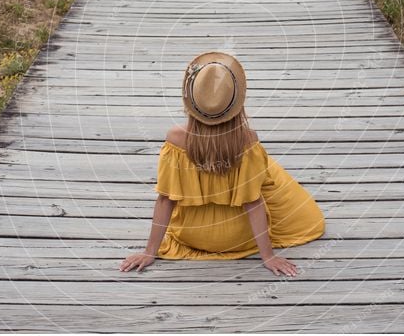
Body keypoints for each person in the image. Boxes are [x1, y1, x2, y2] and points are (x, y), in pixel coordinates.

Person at [119, 50, 326, 277]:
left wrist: (150, 252)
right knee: (269, 170)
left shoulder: (175, 140)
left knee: (261, 168)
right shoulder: (248, 141)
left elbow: (165, 200)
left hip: (192, 234)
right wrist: (268, 256)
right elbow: (253, 203)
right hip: (240, 236)